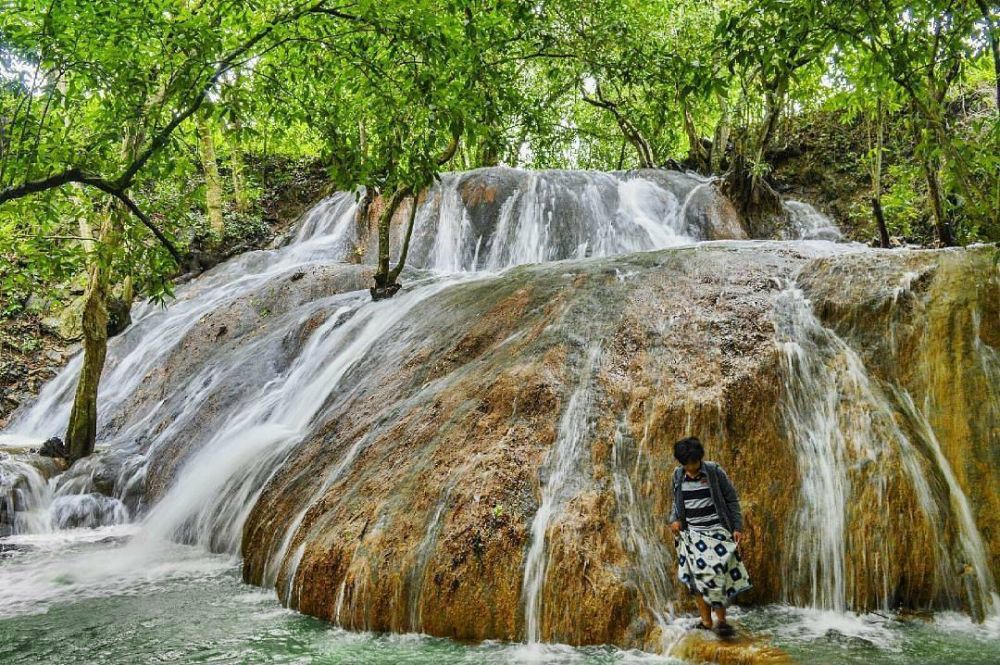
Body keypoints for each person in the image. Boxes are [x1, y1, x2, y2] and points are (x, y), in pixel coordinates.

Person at [668, 436, 751, 637]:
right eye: (687, 465)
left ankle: (721, 622)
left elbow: (731, 500)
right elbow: (676, 504)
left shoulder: (713, 471)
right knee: (696, 581)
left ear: (700, 458)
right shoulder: (678, 476)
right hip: (692, 535)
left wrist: (737, 527)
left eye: (695, 464)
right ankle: (706, 621)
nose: (692, 469)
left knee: (716, 576)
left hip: (716, 534)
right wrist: (674, 520)